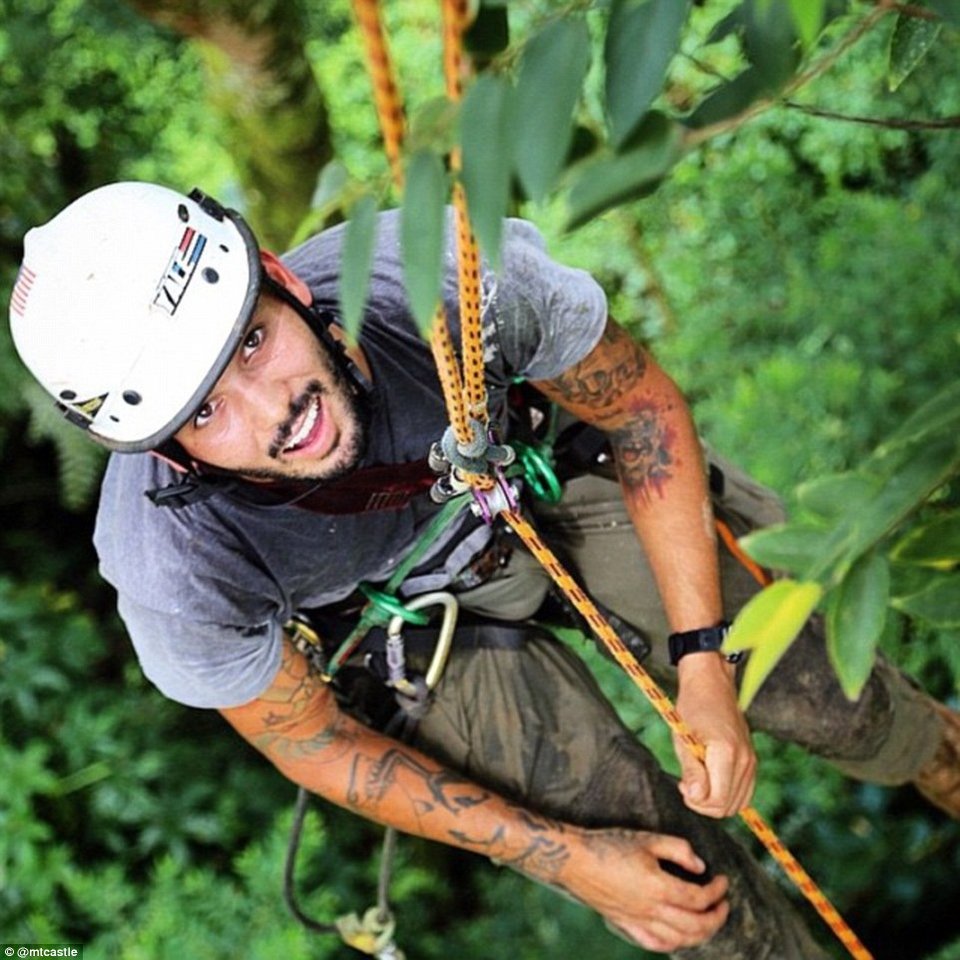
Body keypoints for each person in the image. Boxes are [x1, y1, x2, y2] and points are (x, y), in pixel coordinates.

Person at [10, 181, 959, 959]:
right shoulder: (178, 571)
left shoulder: (450, 283)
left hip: (549, 472)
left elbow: (637, 414)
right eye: (208, 415)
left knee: (836, 698)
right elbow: (311, 742)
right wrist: (570, 860)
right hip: (411, 626)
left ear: (282, 282)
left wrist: (704, 661)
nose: (274, 410)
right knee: (685, 900)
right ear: (171, 456)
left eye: (254, 341)